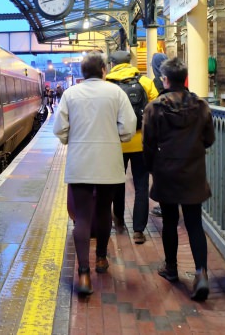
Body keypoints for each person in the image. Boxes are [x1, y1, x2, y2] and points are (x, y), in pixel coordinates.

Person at [53, 52, 137, 296]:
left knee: (82, 217)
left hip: (80, 162)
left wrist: (71, 139)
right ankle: (101, 259)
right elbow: (128, 126)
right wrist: (117, 138)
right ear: (103, 70)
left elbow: (60, 128)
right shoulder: (116, 93)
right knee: (103, 211)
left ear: (82, 73)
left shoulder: (70, 94)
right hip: (109, 162)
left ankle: (83, 275)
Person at [143, 57, 215, 301]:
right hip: (193, 172)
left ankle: (171, 268)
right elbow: (209, 139)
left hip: (166, 173)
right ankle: (201, 273)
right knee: (194, 223)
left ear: (165, 79)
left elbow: (149, 144)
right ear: (185, 78)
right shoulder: (201, 106)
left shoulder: (155, 107)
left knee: (170, 222)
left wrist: (152, 168)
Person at [105, 50, 158, 243]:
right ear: (129, 62)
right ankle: (138, 231)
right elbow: (155, 107)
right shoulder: (144, 82)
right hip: (141, 143)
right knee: (141, 186)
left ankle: (119, 222)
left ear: (112, 64)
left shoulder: (107, 85)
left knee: (117, 184)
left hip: (116, 143)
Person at [149, 52, 169, 218]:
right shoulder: (187, 94)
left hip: (161, 138)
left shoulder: (155, 83)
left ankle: (165, 206)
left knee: (160, 174)